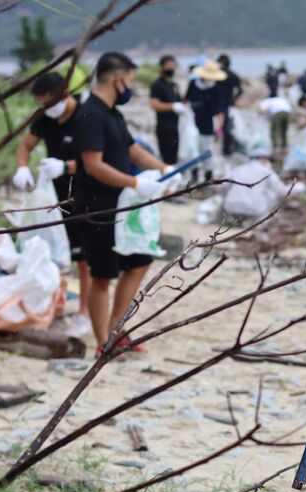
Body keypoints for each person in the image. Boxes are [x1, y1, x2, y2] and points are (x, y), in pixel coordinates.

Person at [73, 52, 174, 352]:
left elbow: (131, 150)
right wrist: (135, 182)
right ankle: (103, 342)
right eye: (129, 79)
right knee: (102, 275)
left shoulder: (113, 113)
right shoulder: (90, 113)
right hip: (97, 207)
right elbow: (93, 165)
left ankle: (117, 329)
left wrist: (163, 169)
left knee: (140, 261)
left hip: (122, 207)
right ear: (117, 79)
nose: (130, 86)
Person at [13, 71, 91, 338]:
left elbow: (99, 160)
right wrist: (22, 168)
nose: (47, 108)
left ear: (65, 94)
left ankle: (84, 313)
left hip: (84, 191)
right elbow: (25, 145)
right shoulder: (45, 118)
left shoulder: (86, 116)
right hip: (52, 195)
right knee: (52, 250)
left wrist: (67, 166)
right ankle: (56, 307)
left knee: (83, 256)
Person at [222, 144, 297, 221]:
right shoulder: (266, 171)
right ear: (263, 158)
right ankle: (261, 224)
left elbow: (222, 186)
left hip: (231, 207)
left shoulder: (237, 169)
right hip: (254, 209)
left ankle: (233, 220)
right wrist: (299, 187)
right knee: (271, 195)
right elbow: (281, 191)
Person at [185, 59, 227, 183]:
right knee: (192, 149)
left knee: (207, 150)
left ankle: (208, 176)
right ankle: (194, 174)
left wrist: (220, 128)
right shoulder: (193, 83)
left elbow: (220, 110)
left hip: (209, 123)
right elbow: (186, 100)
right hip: (193, 121)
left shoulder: (216, 88)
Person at [149, 55, 184, 166]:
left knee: (174, 156)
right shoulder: (157, 85)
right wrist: (172, 107)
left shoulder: (174, 85)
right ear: (162, 67)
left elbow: (181, 101)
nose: (171, 69)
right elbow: (154, 105)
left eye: (173, 66)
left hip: (175, 126)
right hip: (164, 127)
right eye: (169, 66)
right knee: (166, 158)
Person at [216, 54, 243, 156]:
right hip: (227, 102)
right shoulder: (233, 75)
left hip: (217, 103)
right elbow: (240, 90)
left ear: (221, 62)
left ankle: (221, 146)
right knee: (226, 125)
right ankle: (227, 148)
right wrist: (233, 99)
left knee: (219, 125)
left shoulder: (217, 75)